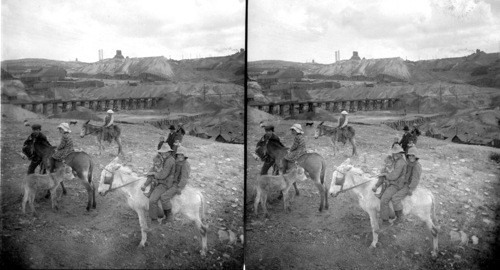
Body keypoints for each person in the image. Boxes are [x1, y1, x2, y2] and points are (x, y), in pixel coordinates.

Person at [147, 143, 176, 223]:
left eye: (165, 152)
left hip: (165, 183)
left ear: (169, 152)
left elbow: (163, 175)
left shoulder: (169, 161)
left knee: (152, 200)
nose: (163, 154)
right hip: (164, 180)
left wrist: (153, 174)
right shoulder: (167, 159)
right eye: (162, 152)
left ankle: (154, 219)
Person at [379, 144, 407, 226]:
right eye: (394, 153)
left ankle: (386, 220)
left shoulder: (401, 162)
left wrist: (385, 175)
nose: (395, 155)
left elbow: (395, 175)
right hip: (395, 181)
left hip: (397, 184)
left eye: (396, 153)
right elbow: (392, 170)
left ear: (400, 153)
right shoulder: (397, 160)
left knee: (384, 199)